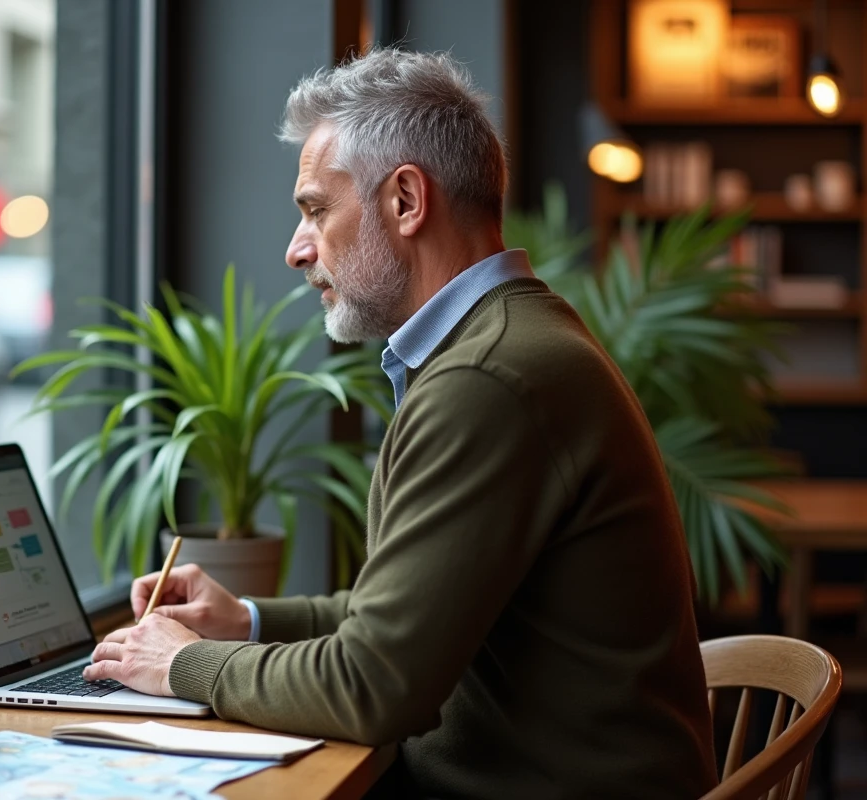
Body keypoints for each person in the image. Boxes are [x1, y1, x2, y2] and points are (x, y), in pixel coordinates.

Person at [84, 48, 718, 798]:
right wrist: (245, 619)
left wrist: (181, 664)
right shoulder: (510, 342)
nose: (296, 250)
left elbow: (373, 684)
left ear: (406, 201)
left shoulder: (488, 377)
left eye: (316, 209)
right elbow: (398, 617)